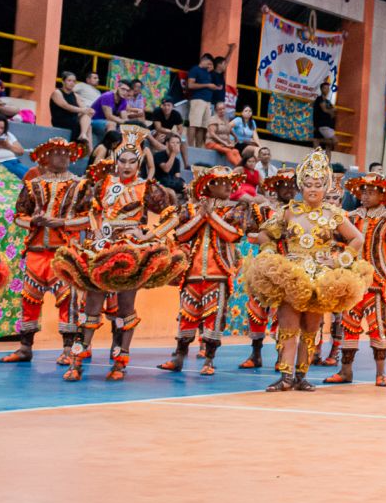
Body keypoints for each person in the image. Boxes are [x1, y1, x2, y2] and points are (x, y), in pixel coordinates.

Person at [54, 127, 185, 382]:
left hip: (129, 253)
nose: (126, 166)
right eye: (122, 160)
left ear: (139, 163)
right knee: (91, 307)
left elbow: (173, 215)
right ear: (116, 161)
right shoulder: (105, 184)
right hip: (102, 249)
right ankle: (78, 361)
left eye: (131, 161)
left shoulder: (147, 188)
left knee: (125, 309)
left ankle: (120, 363)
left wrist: (148, 235)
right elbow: (92, 210)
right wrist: (96, 229)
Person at [239, 149, 371, 391]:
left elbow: (357, 239)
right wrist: (269, 252)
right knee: (288, 326)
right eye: (308, 184)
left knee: (311, 328)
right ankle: (286, 377)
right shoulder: (289, 211)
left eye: (318, 185)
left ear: (326, 187)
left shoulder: (334, 214)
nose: (313, 189)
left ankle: (301, 376)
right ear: (301, 185)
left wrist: (339, 261)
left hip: (320, 277)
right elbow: (266, 233)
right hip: (291, 274)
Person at [0, 138, 89, 364]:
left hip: (64, 253)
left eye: (66, 153)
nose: (63, 156)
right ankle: (25, 347)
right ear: (45, 157)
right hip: (36, 251)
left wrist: (62, 223)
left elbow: (90, 218)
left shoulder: (80, 185)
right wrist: (33, 221)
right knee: (29, 300)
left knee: (68, 300)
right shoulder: (33, 185)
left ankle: (68, 349)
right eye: (57, 152)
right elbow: (18, 216)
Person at [158, 167, 245, 376]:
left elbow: (233, 235)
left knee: (214, 317)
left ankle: (209, 360)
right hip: (192, 274)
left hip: (219, 274)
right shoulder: (190, 210)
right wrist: (201, 216)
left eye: (230, 182)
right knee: (186, 316)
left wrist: (210, 215)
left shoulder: (235, 210)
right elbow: (180, 235)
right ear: (209, 186)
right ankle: (178, 357)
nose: (228, 186)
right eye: (222, 182)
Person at [324, 173, 386, 387]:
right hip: (351, 282)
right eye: (363, 192)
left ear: (382, 195)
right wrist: (339, 264)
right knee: (348, 325)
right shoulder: (350, 217)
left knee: (377, 326)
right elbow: (338, 244)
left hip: (375, 282)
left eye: (371, 192)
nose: (365, 196)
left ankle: (381, 373)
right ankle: (345, 371)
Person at [237, 169, 298, 369]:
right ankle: (256, 354)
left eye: (292, 186)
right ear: (276, 188)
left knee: (285, 312)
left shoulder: (302, 213)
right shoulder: (263, 210)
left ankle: (282, 356)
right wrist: (269, 238)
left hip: (290, 267)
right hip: (264, 266)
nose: (289, 189)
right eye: (284, 185)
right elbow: (249, 234)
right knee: (256, 309)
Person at [50, 72, 95, 145]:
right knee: (86, 125)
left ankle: (83, 136)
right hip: (61, 121)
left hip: (73, 120)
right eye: (69, 80)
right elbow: (66, 106)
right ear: (63, 81)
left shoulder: (75, 95)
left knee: (88, 122)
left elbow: (83, 107)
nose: (72, 83)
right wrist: (83, 110)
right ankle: (87, 145)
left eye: (74, 81)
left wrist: (89, 110)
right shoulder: (57, 93)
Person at [186, 54, 219, 147]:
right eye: (208, 63)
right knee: (194, 123)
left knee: (203, 126)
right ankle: (190, 146)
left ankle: (198, 147)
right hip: (198, 100)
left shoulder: (207, 73)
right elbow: (190, 85)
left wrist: (212, 86)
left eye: (211, 64)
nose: (209, 66)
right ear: (203, 60)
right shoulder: (195, 69)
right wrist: (207, 85)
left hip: (208, 101)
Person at [204, 101, 242, 166]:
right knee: (228, 150)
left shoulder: (225, 119)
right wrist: (224, 143)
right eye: (220, 109)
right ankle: (238, 167)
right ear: (216, 110)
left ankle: (243, 168)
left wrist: (235, 136)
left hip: (222, 144)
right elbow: (212, 134)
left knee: (236, 151)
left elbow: (228, 129)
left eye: (223, 109)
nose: (222, 111)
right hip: (212, 143)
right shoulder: (213, 119)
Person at [313, 81, 337, 147]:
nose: (327, 90)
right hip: (322, 124)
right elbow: (324, 110)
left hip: (329, 125)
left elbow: (332, 113)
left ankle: (317, 142)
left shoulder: (328, 101)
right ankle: (317, 140)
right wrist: (332, 110)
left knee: (329, 145)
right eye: (325, 88)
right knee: (335, 140)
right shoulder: (320, 99)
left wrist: (332, 112)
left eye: (328, 88)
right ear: (321, 89)